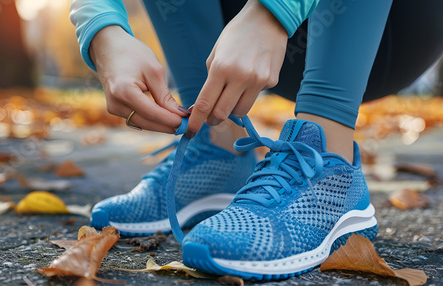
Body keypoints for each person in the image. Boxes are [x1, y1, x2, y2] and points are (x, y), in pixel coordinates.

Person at [70, 0, 443, 279]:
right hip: (267, 36)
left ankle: (329, 155)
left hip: (390, 26)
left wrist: (271, 11)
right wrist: (103, 31)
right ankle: (217, 151)